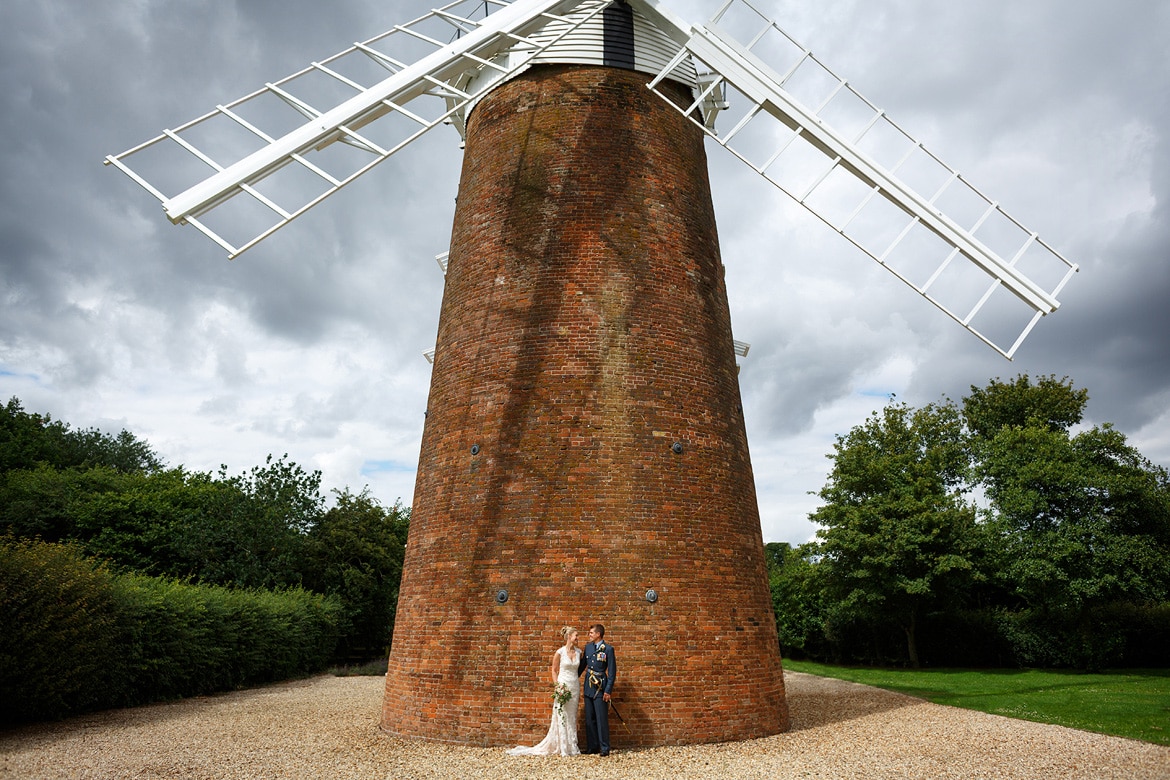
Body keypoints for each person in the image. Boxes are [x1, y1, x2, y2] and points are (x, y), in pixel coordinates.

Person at [506, 626, 582, 756]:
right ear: (569, 637)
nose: (578, 638)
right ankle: (563, 746)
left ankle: (572, 746)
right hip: (563, 685)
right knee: (562, 715)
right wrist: (557, 686)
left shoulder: (579, 652)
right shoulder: (560, 652)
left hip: (574, 686)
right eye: (576, 635)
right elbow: (554, 669)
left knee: (572, 715)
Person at [578, 623, 616, 756]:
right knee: (590, 718)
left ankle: (604, 747)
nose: (589, 635)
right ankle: (592, 747)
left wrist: (608, 691)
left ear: (598, 634)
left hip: (601, 687)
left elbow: (612, 672)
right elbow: (582, 666)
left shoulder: (608, 649)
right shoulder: (588, 648)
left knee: (601, 718)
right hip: (588, 686)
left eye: (591, 633)